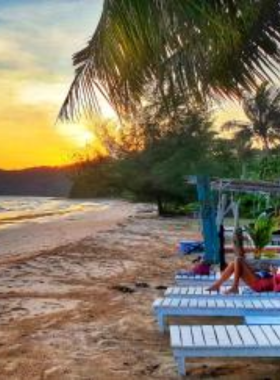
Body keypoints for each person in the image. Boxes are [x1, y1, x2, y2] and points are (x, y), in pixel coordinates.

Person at [207, 256, 280, 294]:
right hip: (261, 277)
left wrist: (273, 274)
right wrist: (273, 273)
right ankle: (218, 285)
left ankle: (234, 287)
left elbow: (276, 289)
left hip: (259, 285)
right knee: (234, 263)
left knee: (238, 260)